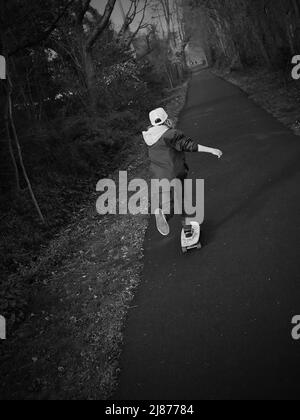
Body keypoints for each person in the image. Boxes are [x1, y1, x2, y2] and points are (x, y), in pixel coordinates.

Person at [142, 107, 223, 236]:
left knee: (169, 204)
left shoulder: (149, 137)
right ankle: (187, 229)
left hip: (158, 177)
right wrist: (211, 150)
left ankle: (163, 214)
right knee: (183, 201)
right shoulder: (170, 135)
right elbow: (188, 145)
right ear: (166, 120)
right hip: (174, 175)